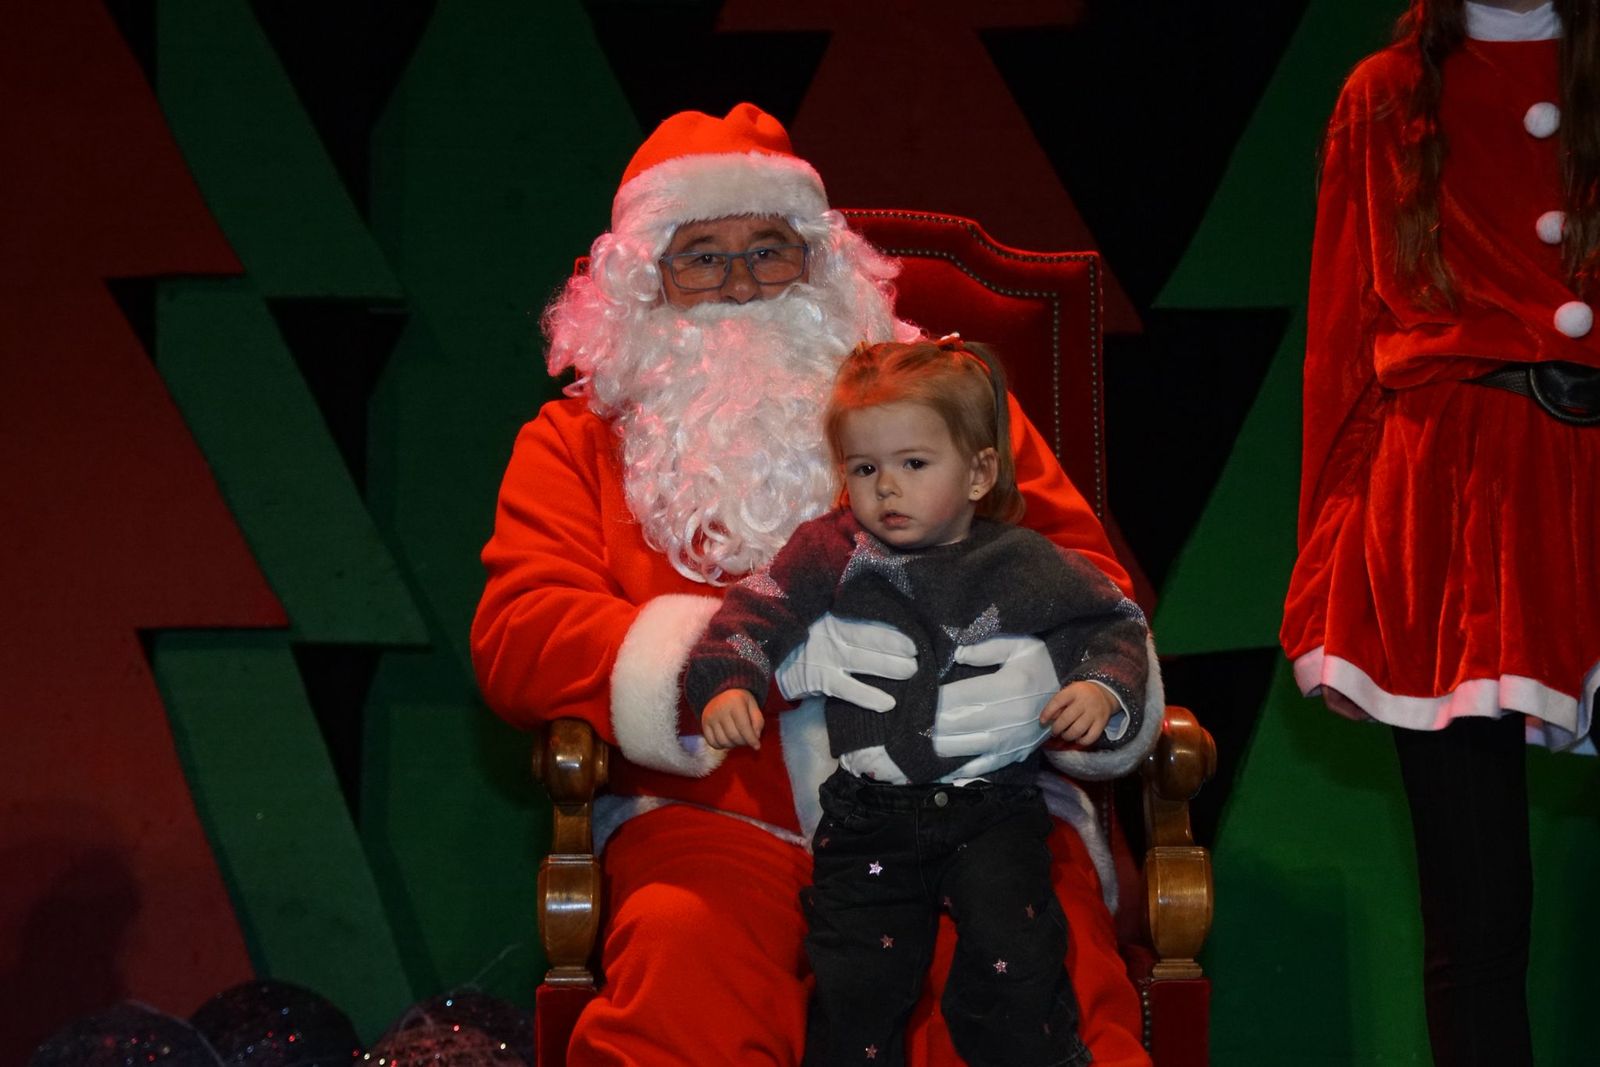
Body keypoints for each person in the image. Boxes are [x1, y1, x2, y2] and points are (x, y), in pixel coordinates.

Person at [471, 102, 1161, 1066]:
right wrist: (745, 660)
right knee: (682, 979)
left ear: (820, 265)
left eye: (770, 249)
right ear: (643, 283)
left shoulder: (944, 406)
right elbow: (522, 628)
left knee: (1034, 987)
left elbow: (1092, 586)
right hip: (719, 811)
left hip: (970, 796)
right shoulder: (574, 442)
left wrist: (1044, 678)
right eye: (701, 256)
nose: (740, 283)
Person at [1280, 2, 1600, 1063]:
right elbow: (1341, 339)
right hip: (1453, 512)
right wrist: (1326, 571)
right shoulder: (1383, 95)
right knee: (1479, 914)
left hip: (1587, 492)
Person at [689, 337, 1154, 1066]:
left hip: (992, 808)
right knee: (857, 982)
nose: (886, 489)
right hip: (869, 814)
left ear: (978, 473)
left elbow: (1112, 622)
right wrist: (730, 680)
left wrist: (1100, 686)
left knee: (1018, 959)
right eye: (864, 468)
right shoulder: (832, 550)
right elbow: (754, 612)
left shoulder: (1021, 561)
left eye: (913, 464)